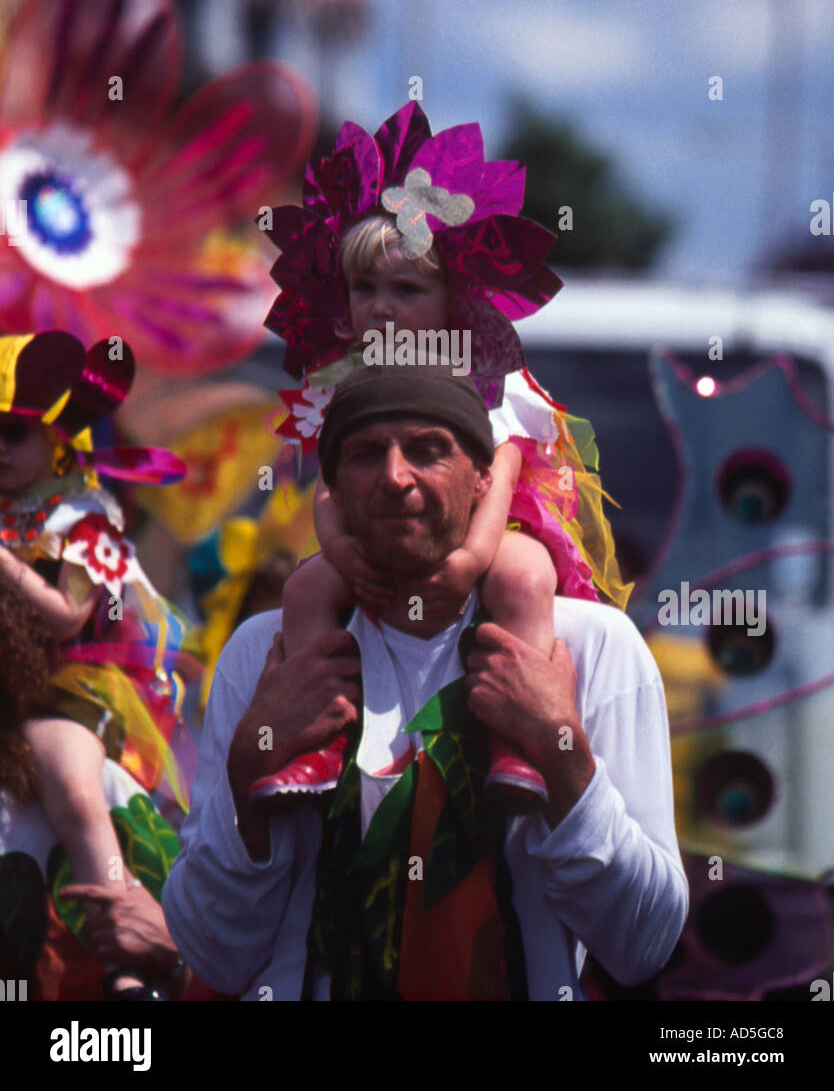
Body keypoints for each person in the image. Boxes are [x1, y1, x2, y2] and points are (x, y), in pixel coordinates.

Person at [162, 366, 688, 1001]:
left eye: (428, 449)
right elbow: (212, 955)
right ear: (330, 488)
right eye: (363, 454)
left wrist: (561, 751)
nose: (394, 476)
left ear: (485, 479)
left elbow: (643, 945)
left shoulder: (590, 647)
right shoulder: (266, 654)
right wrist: (250, 775)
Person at [254, 101, 631, 809]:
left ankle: (519, 746)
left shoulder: (485, 372)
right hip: (382, 539)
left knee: (521, 578)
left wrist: (468, 558)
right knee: (305, 589)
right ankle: (314, 745)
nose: (382, 308)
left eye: (406, 289)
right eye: (364, 289)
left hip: (495, 526)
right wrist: (336, 550)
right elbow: (332, 486)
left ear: (452, 294)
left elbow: (507, 470)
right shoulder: (345, 377)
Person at [0, 331, 188, 996]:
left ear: (55, 439)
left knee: (72, 784)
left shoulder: (81, 517)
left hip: (65, 689)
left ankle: (123, 957)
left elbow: (66, 616)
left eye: (14, 432)